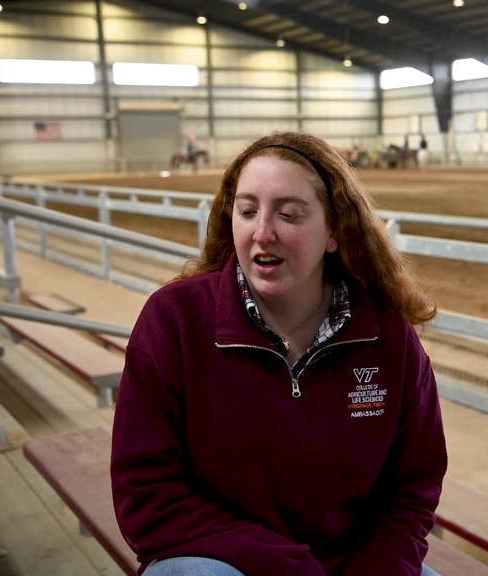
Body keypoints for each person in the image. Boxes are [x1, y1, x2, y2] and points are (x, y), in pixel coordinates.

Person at [111, 131, 448, 576]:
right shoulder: (174, 321)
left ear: (334, 231)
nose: (262, 232)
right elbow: (147, 495)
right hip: (223, 562)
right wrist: (289, 567)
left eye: (288, 214)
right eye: (247, 211)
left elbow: (411, 489)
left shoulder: (387, 338)